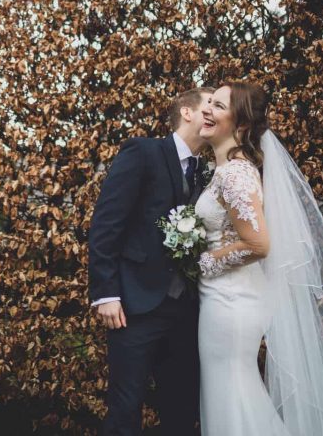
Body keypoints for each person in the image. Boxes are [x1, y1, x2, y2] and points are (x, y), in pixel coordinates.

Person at [195, 81, 323, 435]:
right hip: (226, 297)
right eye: (209, 102)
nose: (207, 109)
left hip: (231, 303)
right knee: (227, 391)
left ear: (240, 125)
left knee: (232, 392)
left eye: (219, 106)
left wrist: (204, 263)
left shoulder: (236, 173)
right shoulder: (225, 170)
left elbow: (258, 244)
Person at [88, 86, 214, 436]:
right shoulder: (143, 152)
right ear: (187, 112)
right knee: (125, 409)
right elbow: (106, 224)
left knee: (182, 408)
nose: (215, 113)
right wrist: (106, 294)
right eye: (210, 104)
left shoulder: (207, 172)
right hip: (135, 306)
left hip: (187, 309)